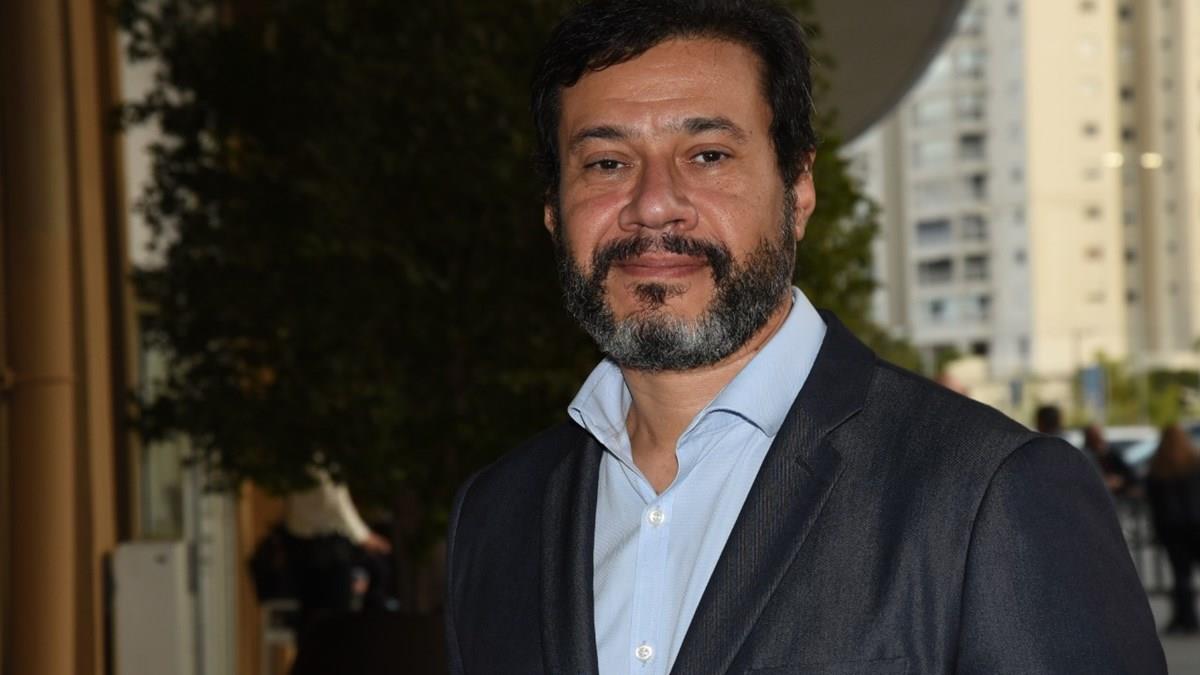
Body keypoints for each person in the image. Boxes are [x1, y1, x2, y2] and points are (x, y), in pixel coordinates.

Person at [444, 1, 1165, 672]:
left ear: (798, 192)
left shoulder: (991, 495)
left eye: (708, 155)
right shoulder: (496, 517)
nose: (654, 204)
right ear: (553, 210)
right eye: (607, 163)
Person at [1146, 424, 1200, 634]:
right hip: (1195, 523)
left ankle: (1186, 617)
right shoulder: (1194, 462)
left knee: (1180, 575)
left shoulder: (1158, 467)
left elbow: (1154, 501)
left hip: (1171, 527)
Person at [1082, 423, 1137, 496]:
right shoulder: (1084, 457)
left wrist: (1119, 480)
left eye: (1099, 435)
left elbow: (1129, 474)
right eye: (1094, 436)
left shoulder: (1111, 453)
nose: (1099, 439)